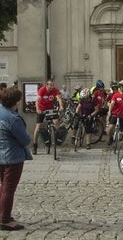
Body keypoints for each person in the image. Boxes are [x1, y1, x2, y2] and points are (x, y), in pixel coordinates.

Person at [0, 87, 31, 231]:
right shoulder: (13, 118)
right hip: (12, 157)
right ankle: (5, 219)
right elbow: (24, 139)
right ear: (15, 101)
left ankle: (2, 214)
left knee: (3, 186)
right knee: (8, 188)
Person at [32, 80, 64, 155]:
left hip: (50, 109)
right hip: (42, 109)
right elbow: (37, 100)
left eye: (53, 85)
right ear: (47, 85)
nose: (52, 87)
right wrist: (37, 109)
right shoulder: (42, 90)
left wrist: (61, 106)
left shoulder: (55, 90)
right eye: (51, 85)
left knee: (56, 122)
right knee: (38, 127)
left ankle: (54, 137)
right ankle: (34, 145)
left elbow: (59, 99)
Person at [106, 80, 123, 146]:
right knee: (110, 128)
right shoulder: (116, 95)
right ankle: (110, 137)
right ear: (121, 87)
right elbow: (112, 103)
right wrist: (109, 112)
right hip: (115, 114)